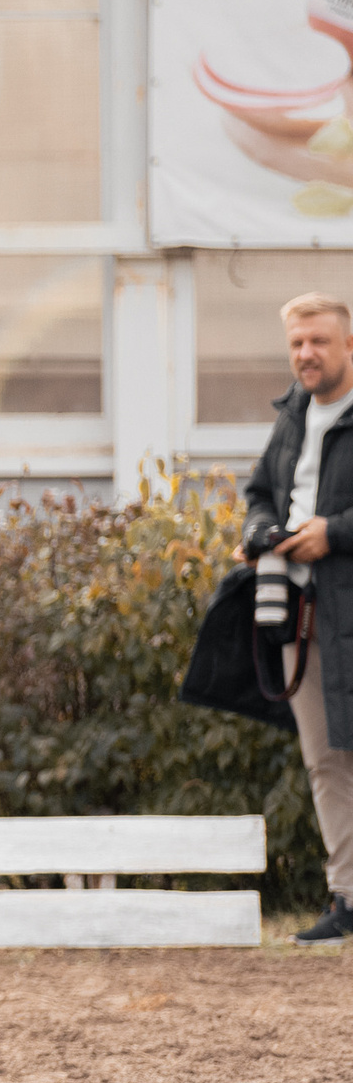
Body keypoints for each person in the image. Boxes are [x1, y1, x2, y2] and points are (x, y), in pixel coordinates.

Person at [243, 292, 353, 944]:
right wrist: (261, 532)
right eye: (296, 343)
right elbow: (260, 491)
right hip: (303, 616)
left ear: (349, 345)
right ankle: (348, 899)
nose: (306, 354)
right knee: (325, 760)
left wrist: (332, 533)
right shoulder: (292, 414)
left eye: (318, 341)